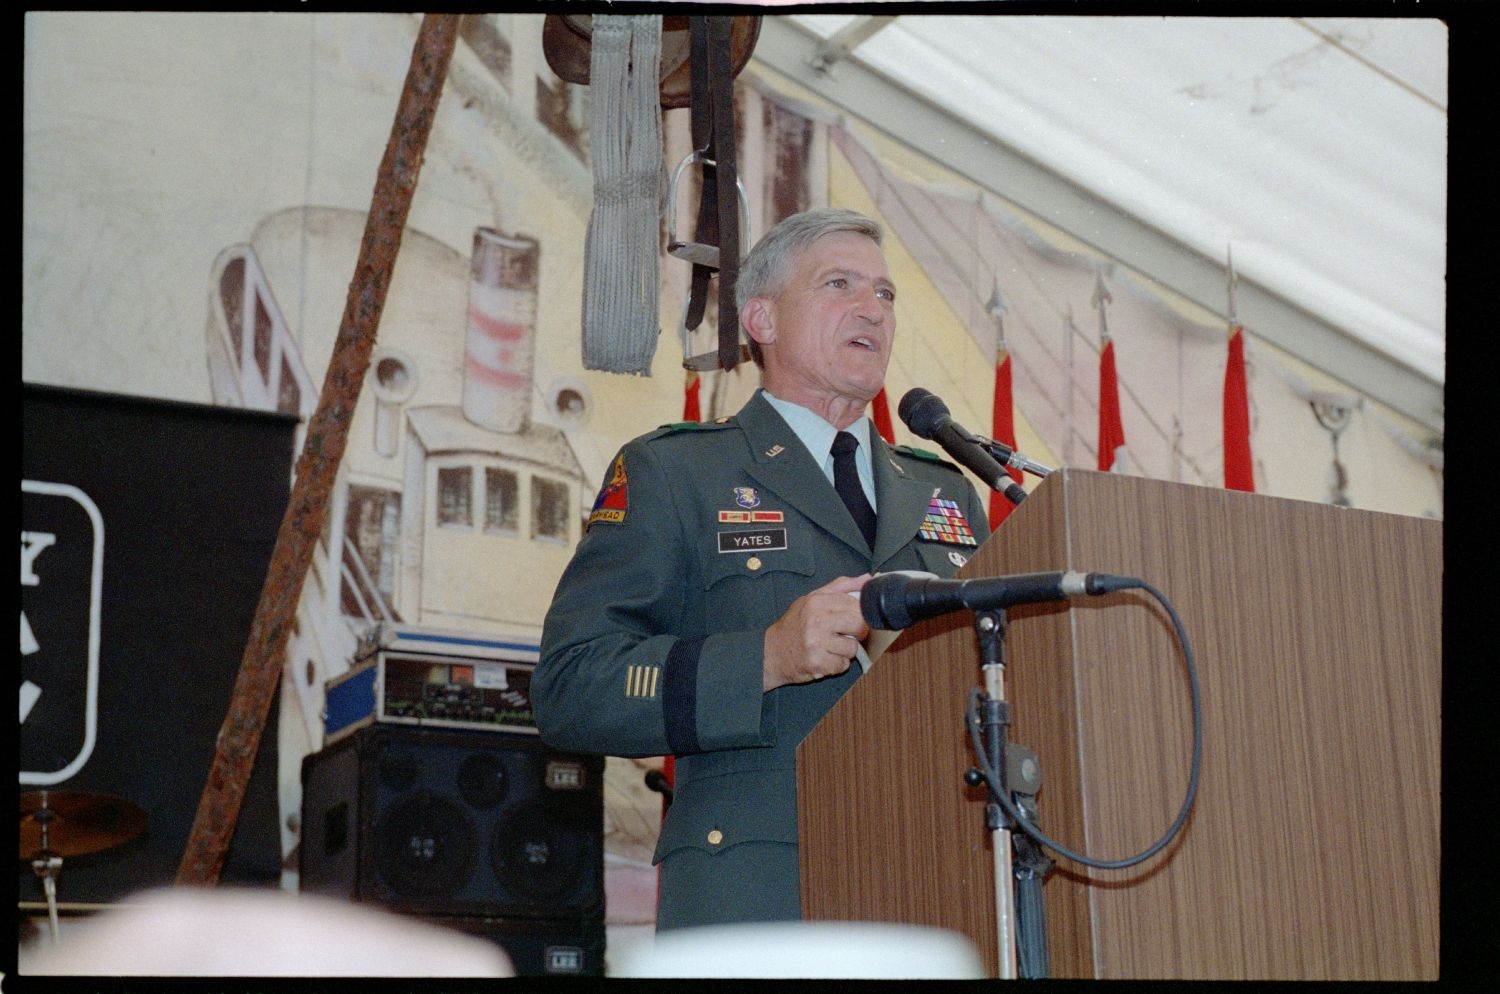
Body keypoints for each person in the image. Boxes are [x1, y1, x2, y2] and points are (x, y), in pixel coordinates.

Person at [534, 207, 991, 930]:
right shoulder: (678, 472)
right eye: (839, 284)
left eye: (886, 294)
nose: (873, 307)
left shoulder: (946, 490)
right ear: (762, 320)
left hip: (937, 887)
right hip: (759, 894)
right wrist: (766, 659)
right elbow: (571, 687)